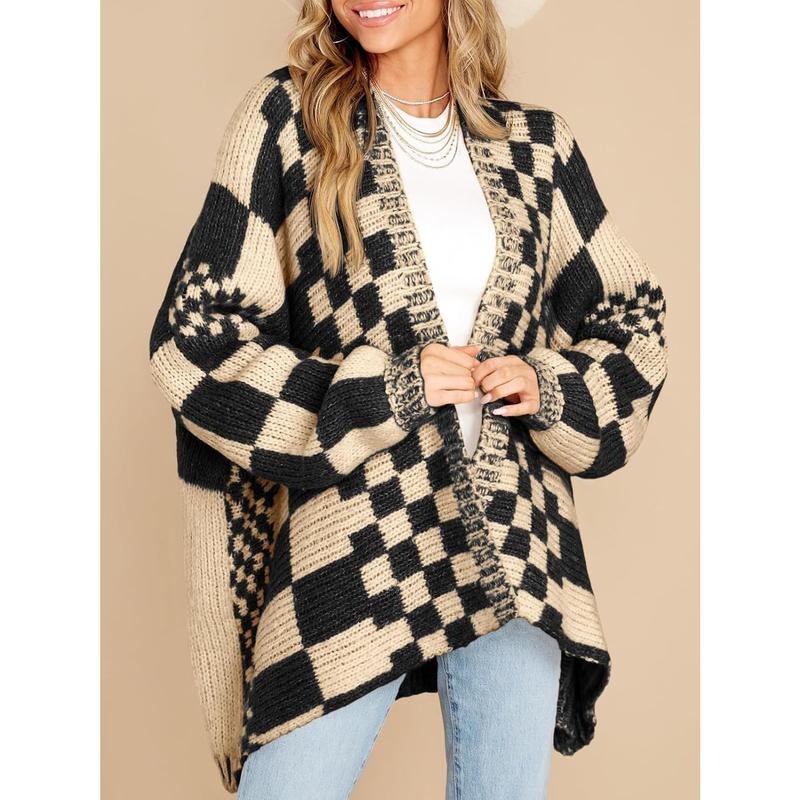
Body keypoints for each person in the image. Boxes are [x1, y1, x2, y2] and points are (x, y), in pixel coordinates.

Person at [147, 1, 669, 798]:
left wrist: (550, 386)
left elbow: (632, 320)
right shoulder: (288, 122)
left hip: (516, 547)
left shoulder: (538, 148)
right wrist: (379, 392)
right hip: (357, 543)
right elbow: (194, 338)